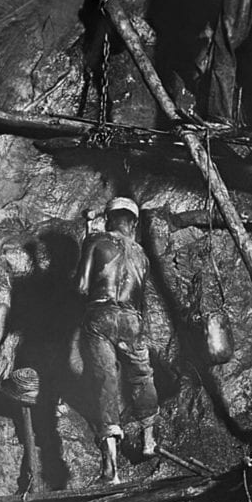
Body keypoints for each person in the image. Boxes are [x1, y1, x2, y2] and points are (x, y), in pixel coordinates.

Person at [75, 197, 158, 483]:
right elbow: (141, 299)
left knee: (105, 382)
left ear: (109, 219)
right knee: (142, 376)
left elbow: (82, 286)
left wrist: (88, 242)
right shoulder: (142, 254)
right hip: (132, 319)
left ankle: (111, 469)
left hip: (100, 315)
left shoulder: (97, 241)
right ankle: (149, 440)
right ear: (133, 223)